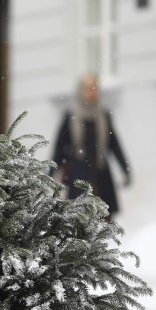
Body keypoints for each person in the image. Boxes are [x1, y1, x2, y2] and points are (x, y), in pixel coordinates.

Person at [52, 73, 132, 219]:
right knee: (78, 219)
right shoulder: (71, 115)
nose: (92, 91)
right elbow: (59, 149)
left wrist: (125, 169)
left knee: (104, 221)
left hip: (101, 176)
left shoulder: (104, 115)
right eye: (88, 88)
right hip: (78, 177)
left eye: (95, 88)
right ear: (80, 90)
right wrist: (51, 175)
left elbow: (114, 145)